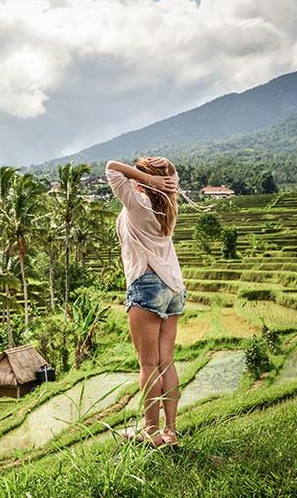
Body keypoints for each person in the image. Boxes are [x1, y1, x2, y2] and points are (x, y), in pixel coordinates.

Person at [106, 156, 186, 447]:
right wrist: (166, 168)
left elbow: (112, 167)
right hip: (173, 287)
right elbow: (173, 180)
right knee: (166, 362)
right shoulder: (167, 203)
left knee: (148, 364)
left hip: (147, 285)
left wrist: (149, 179)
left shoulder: (138, 204)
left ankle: (151, 431)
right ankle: (171, 432)